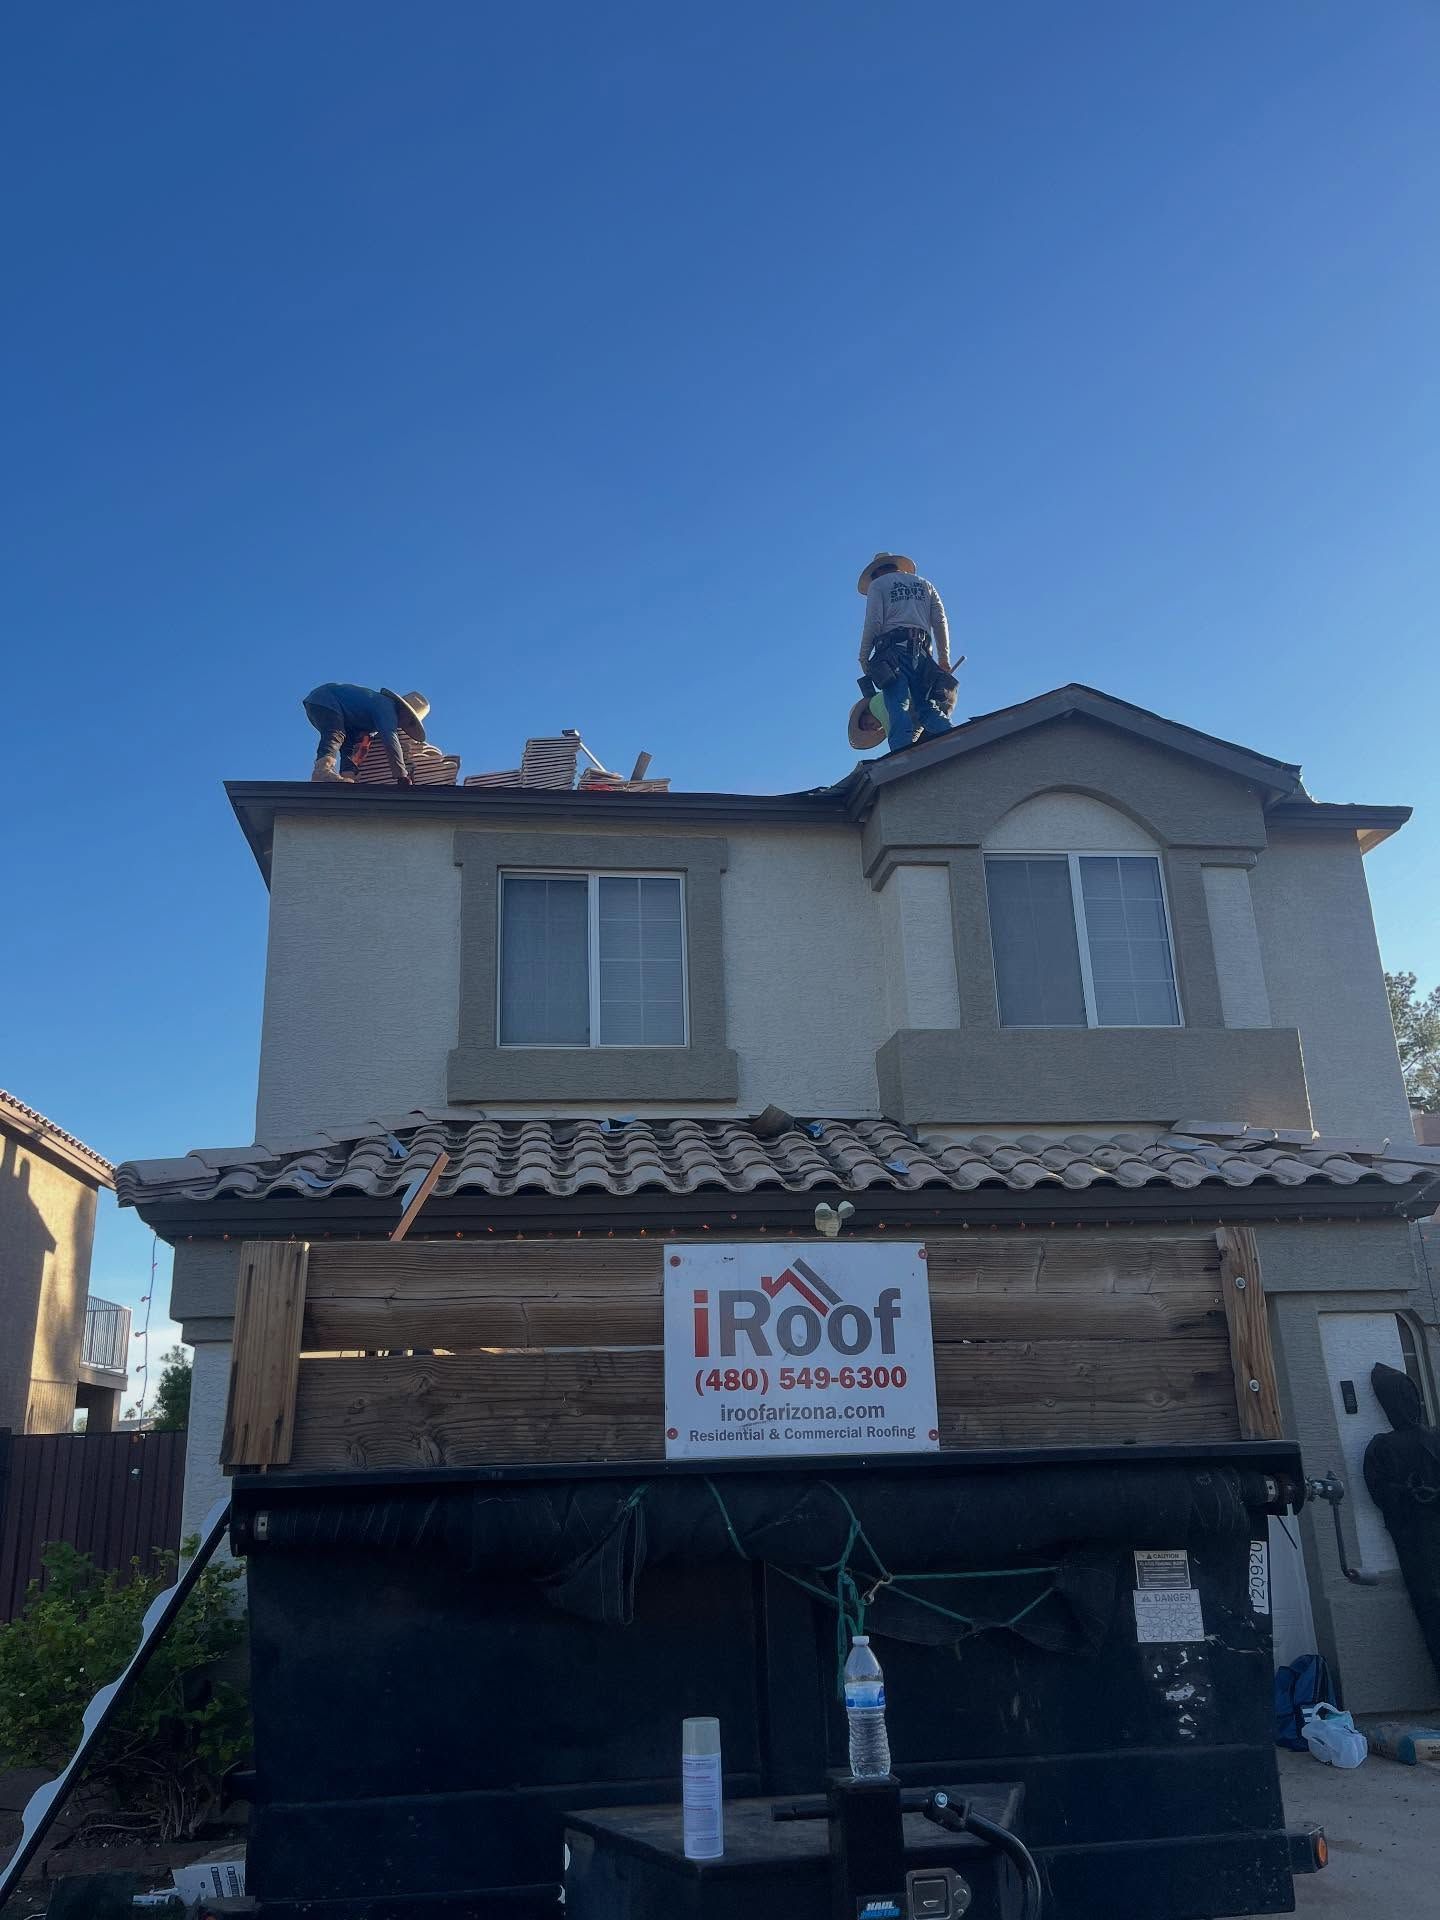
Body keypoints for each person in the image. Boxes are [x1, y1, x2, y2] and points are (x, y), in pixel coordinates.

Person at [856, 552, 954, 753]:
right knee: (926, 707)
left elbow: (874, 622)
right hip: (923, 654)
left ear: (877, 572)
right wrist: (944, 657)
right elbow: (940, 621)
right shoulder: (925, 585)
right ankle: (957, 739)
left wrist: (864, 656)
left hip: (894, 653)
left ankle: (901, 757)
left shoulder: (879, 585)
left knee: (897, 707)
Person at [302, 684, 431, 784]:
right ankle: (322, 770)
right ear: (403, 711)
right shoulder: (386, 707)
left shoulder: (376, 716)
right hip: (326, 700)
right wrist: (401, 775)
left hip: (337, 710)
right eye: (409, 721)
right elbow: (391, 741)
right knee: (335, 734)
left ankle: (348, 776)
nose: (403, 726)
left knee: (348, 743)